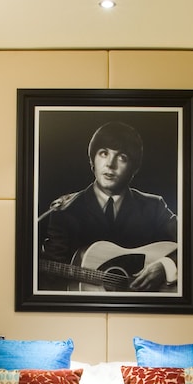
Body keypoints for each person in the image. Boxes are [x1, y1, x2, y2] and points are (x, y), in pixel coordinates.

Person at [38, 121, 178, 293]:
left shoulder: (153, 207)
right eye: (104, 153)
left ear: (134, 168)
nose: (110, 164)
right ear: (92, 160)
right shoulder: (65, 211)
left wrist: (165, 266)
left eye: (122, 157)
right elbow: (50, 282)